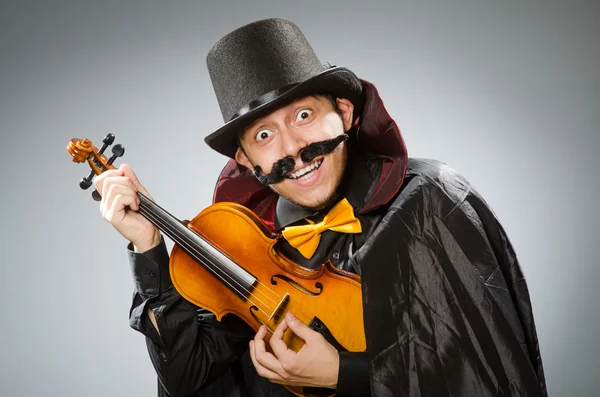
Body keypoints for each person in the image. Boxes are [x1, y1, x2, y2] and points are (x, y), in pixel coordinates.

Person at [94, 18, 547, 397]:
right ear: (247, 162)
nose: (293, 149)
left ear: (346, 114)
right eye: (264, 136)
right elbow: (188, 379)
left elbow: (491, 373)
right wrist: (149, 248)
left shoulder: (430, 200)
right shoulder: (252, 242)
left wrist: (341, 373)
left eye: (303, 116)